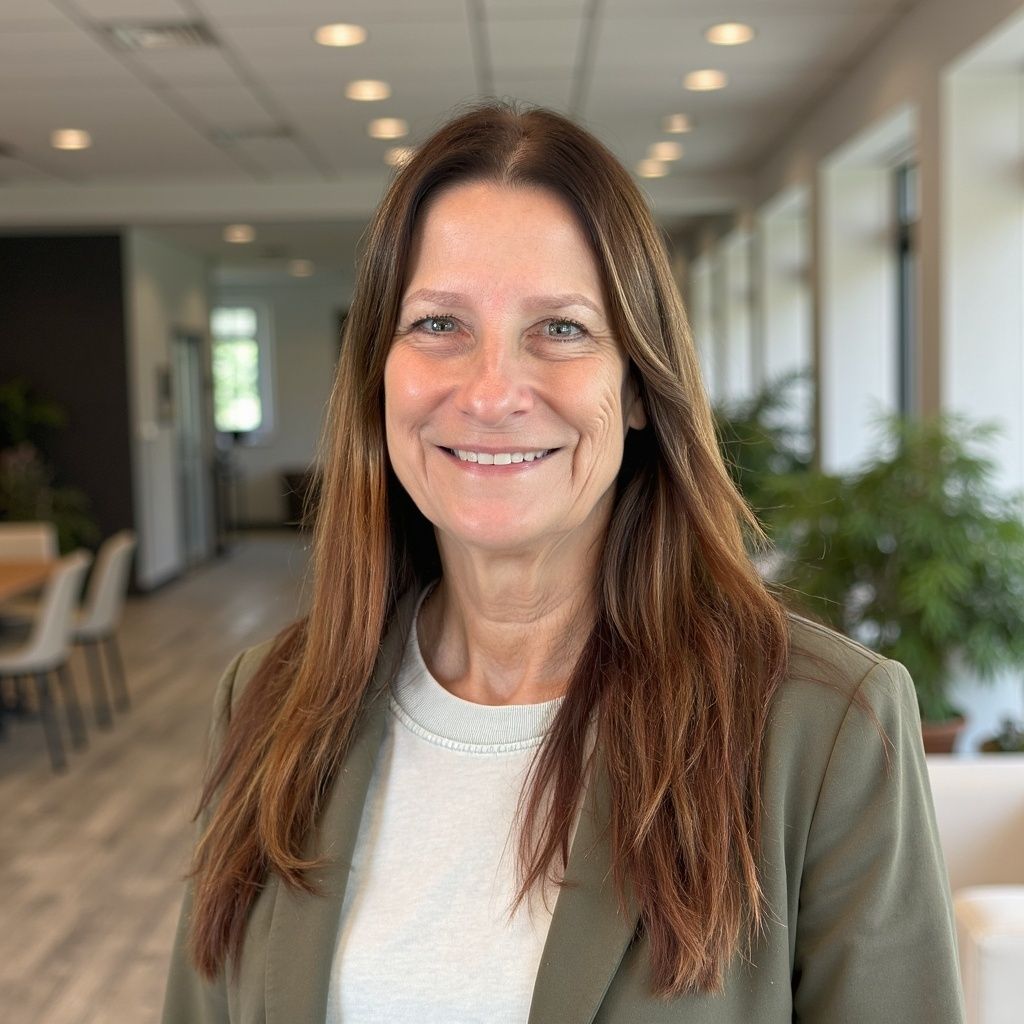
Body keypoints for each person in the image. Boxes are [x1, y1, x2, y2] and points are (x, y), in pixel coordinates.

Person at [162, 103, 965, 1023]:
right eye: (437, 324)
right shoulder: (268, 702)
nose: (494, 392)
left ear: (636, 386)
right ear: (377, 377)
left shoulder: (824, 730)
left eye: (562, 329)